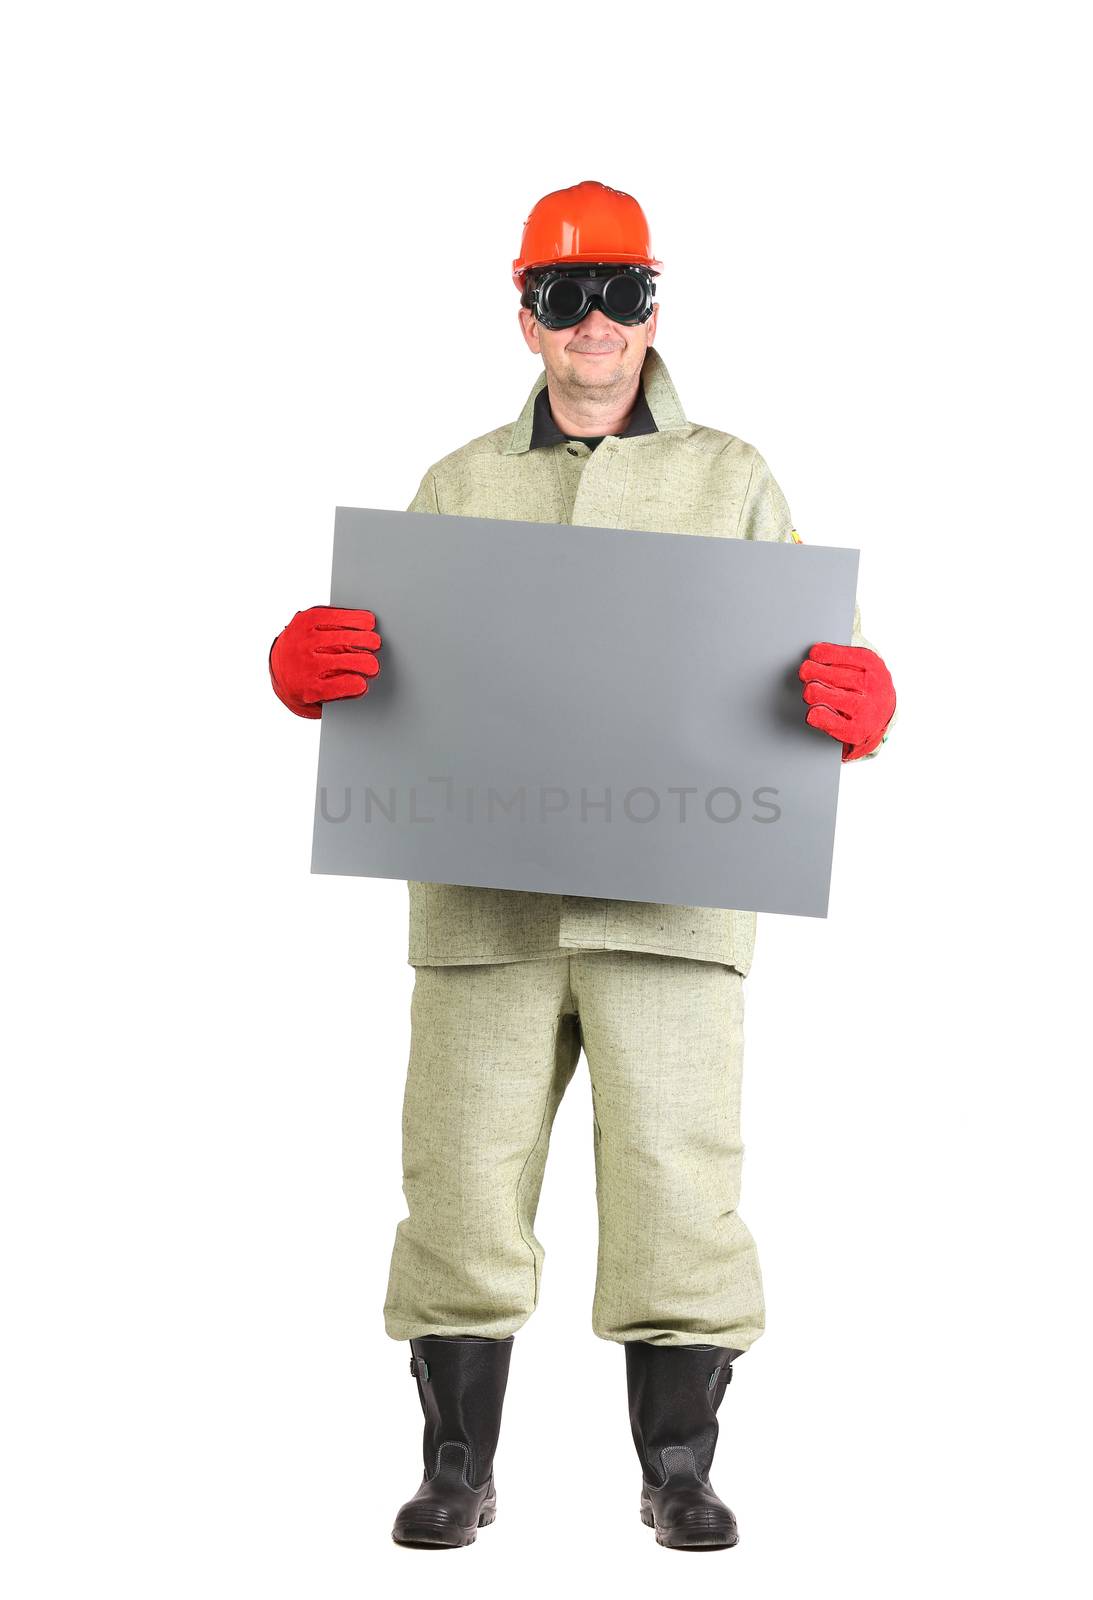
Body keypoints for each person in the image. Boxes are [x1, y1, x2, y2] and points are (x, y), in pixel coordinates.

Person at [269, 179, 896, 1551]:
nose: (596, 321)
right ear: (524, 314)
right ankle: (454, 1463)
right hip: (483, 904)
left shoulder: (732, 477)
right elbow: (388, 663)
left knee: (679, 1180)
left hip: (672, 906)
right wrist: (306, 672)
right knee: (457, 1176)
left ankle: (677, 1464)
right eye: (565, 295)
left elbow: (817, 654)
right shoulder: (457, 482)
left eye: (620, 291)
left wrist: (858, 699)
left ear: (653, 305)